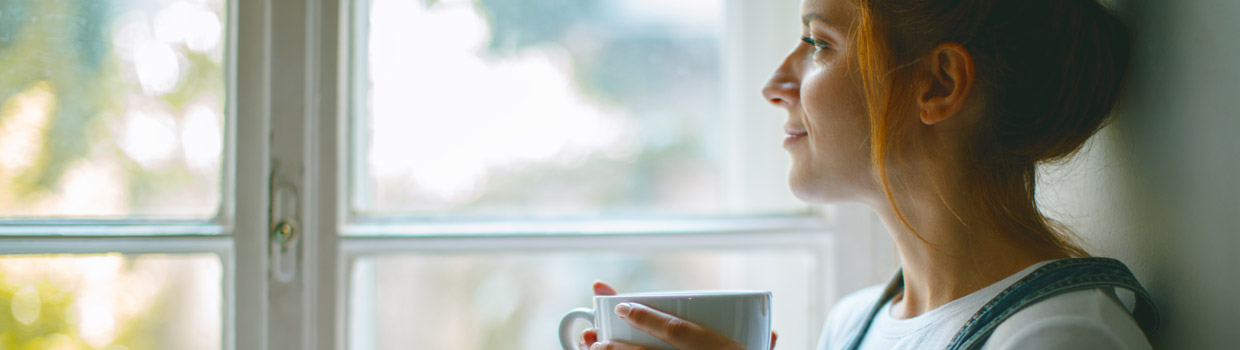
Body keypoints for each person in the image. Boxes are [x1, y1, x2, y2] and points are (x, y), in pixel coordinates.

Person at [577, 0, 1157, 349]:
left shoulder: (1061, 338)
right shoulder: (854, 323)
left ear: (939, 84)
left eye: (817, 42)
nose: (776, 83)